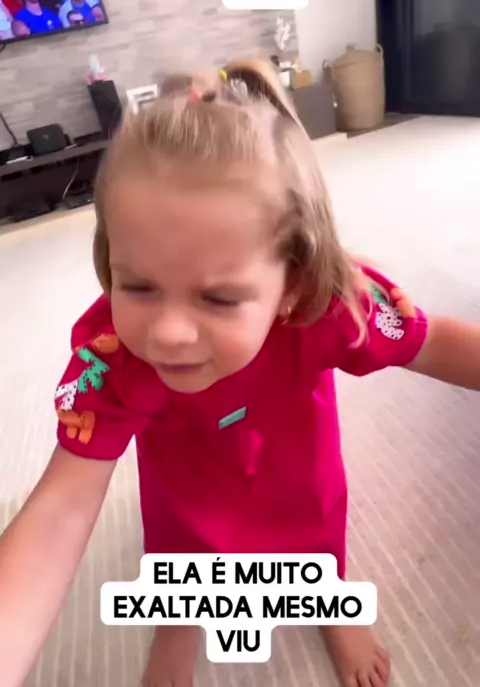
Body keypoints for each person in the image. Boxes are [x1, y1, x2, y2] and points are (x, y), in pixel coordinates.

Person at [1, 58, 480, 687]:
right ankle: (177, 620)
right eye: (138, 285)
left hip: (297, 476)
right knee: (180, 553)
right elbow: (62, 507)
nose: (168, 333)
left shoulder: (331, 307)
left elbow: (433, 340)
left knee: (314, 535)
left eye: (219, 297)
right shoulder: (113, 357)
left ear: (293, 285)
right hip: (185, 495)